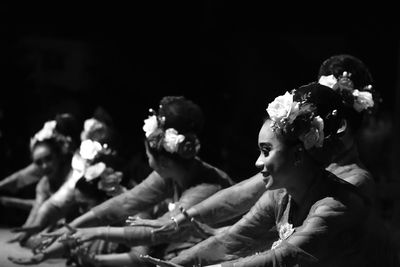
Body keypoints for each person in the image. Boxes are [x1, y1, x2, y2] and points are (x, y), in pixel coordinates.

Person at [122, 54, 379, 239]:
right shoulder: (301, 164)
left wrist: (223, 238)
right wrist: (185, 220)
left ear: (338, 126)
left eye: (314, 115)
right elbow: (242, 196)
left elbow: (290, 247)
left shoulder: (354, 183)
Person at [143, 83, 398, 267]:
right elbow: (233, 240)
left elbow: (281, 258)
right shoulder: (280, 194)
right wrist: (177, 262)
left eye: (266, 151)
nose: (257, 162)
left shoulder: (336, 205)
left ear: (299, 154)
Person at [21, 96, 234, 266]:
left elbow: (158, 231)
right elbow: (124, 203)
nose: (147, 160)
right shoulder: (170, 174)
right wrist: (71, 228)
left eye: (148, 155)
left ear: (162, 160)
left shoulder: (206, 187)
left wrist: (92, 232)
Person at [8, 158, 130, 266]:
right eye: (79, 205)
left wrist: (96, 260)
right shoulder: (90, 223)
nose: (81, 210)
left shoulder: (129, 220)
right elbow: (70, 239)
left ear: (105, 200)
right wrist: (44, 255)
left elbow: (138, 257)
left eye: (84, 205)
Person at [7, 113, 79, 246]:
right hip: (56, 225)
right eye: (39, 162)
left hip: (81, 226)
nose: (44, 166)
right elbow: (37, 207)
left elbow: (50, 207)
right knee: (32, 241)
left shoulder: (76, 172)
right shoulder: (43, 184)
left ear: (59, 155)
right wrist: (26, 231)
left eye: (48, 159)